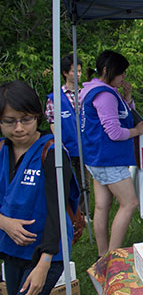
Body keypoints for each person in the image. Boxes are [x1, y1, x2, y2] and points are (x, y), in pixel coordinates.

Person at [0, 81, 93, 295]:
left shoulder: (51, 152)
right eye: (9, 121)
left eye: (26, 119)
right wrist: (4, 222)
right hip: (12, 247)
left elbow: (57, 211)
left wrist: (44, 263)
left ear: (37, 116)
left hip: (47, 252)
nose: (18, 128)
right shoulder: (1, 150)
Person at [80, 50, 143, 257]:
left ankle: (103, 255)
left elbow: (120, 115)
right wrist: (138, 131)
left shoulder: (92, 90)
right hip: (109, 158)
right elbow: (114, 131)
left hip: (95, 158)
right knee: (129, 203)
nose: (123, 77)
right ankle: (112, 255)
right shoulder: (105, 95)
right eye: (121, 73)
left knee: (102, 206)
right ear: (106, 71)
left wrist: (127, 98)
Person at [45, 53, 91, 215]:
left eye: (79, 71)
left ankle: (84, 214)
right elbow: (52, 122)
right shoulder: (55, 97)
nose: (77, 74)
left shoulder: (86, 94)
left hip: (86, 146)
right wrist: (59, 143)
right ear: (65, 73)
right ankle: (69, 213)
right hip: (67, 146)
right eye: (74, 71)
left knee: (85, 182)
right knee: (68, 182)